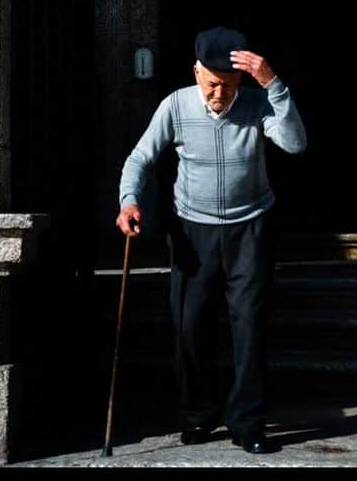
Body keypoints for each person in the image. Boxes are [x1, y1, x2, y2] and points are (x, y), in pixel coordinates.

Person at [115, 25, 307, 454]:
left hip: (250, 226)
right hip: (192, 229)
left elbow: (294, 144)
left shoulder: (258, 101)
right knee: (190, 324)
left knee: (250, 325)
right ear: (196, 71)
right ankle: (199, 416)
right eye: (213, 84)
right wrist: (129, 201)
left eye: (229, 85)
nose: (220, 94)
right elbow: (141, 157)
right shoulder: (176, 105)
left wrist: (272, 83)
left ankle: (248, 422)